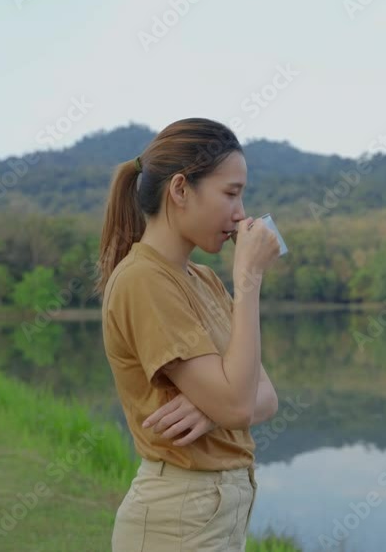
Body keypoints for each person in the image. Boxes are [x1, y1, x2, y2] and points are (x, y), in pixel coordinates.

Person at [96, 118, 282, 551]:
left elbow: (266, 397)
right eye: (231, 193)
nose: (240, 213)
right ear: (180, 189)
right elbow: (241, 403)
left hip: (217, 514)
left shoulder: (203, 279)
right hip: (179, 518)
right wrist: (249, 276)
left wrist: (213, 409)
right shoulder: (143, 280)